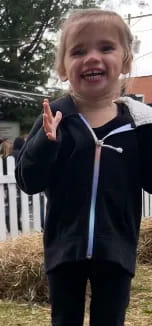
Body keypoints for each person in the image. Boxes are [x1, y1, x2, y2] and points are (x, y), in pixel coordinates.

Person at [15, 9, 152, 326]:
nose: (92, 58)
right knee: (65, 320)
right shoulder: (55, 119)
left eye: (105, 48)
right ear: (63, 68)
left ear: (126, 61)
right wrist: (45, 144)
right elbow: (28, 180)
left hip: (117, 247)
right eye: (78, 51)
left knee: (110, 319)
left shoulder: (140, 125)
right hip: (65, 248)